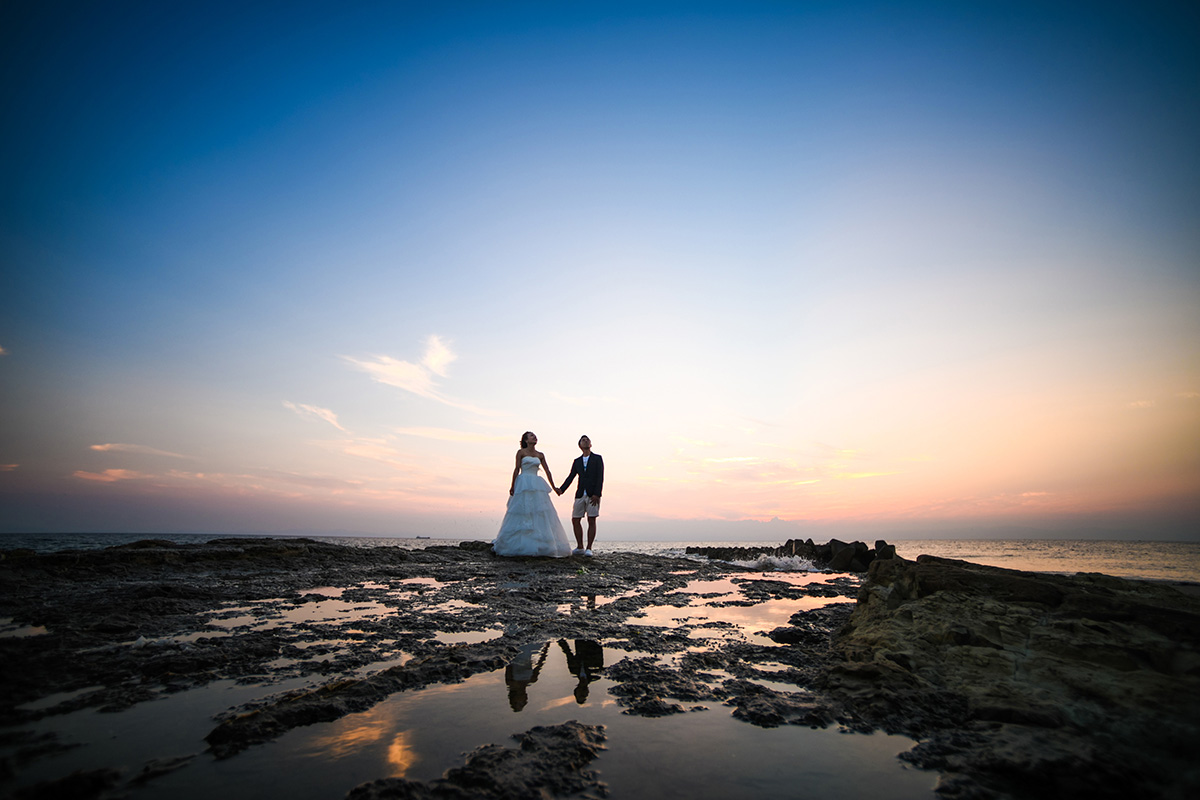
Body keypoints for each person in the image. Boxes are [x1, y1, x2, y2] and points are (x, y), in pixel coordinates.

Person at [492, 432, 573, 558]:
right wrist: (512, 485)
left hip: (536, 483)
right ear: (525, 440)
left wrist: (554, 487)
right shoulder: (521, 452)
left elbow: (547, 471)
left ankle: (541, 544)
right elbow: (516, 469)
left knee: (539, 512)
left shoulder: (540, 455)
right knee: (522, 511)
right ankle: (518, 543)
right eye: (531, 436)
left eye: (535, 436)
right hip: (523, 482)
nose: (534, 437)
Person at [556, 435, 603, 556]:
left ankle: (589, 548)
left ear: (590, 444)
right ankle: (580, 546)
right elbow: (571, 476)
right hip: (580, 493)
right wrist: (561, 489)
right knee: (575, 519)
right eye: (583, 440)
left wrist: (597, 494)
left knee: (591, 519)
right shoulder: (577, 461)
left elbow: (600, 477)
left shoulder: (597, 458)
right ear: (580, 445)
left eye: (587, 440)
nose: (586, 441)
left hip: (593, 494)